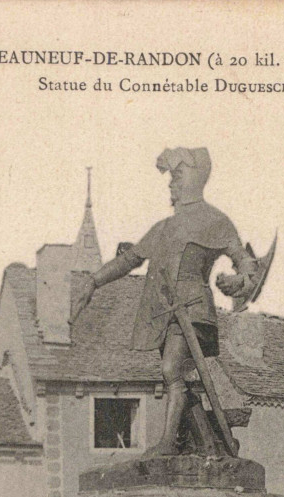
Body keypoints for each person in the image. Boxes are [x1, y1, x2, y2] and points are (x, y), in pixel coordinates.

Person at [70, 147, 260, 458]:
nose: (171, 184)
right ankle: (200, 441)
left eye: (178, 176)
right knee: (175, 376)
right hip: (163, 312)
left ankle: (169, 444)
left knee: (172, 369)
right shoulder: (165, 227)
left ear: (196, 180)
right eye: (171, 177)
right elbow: (129, 260)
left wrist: (239, 280)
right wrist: (94, 281)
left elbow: (246, 262)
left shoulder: (216, 221)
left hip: (194, 310)